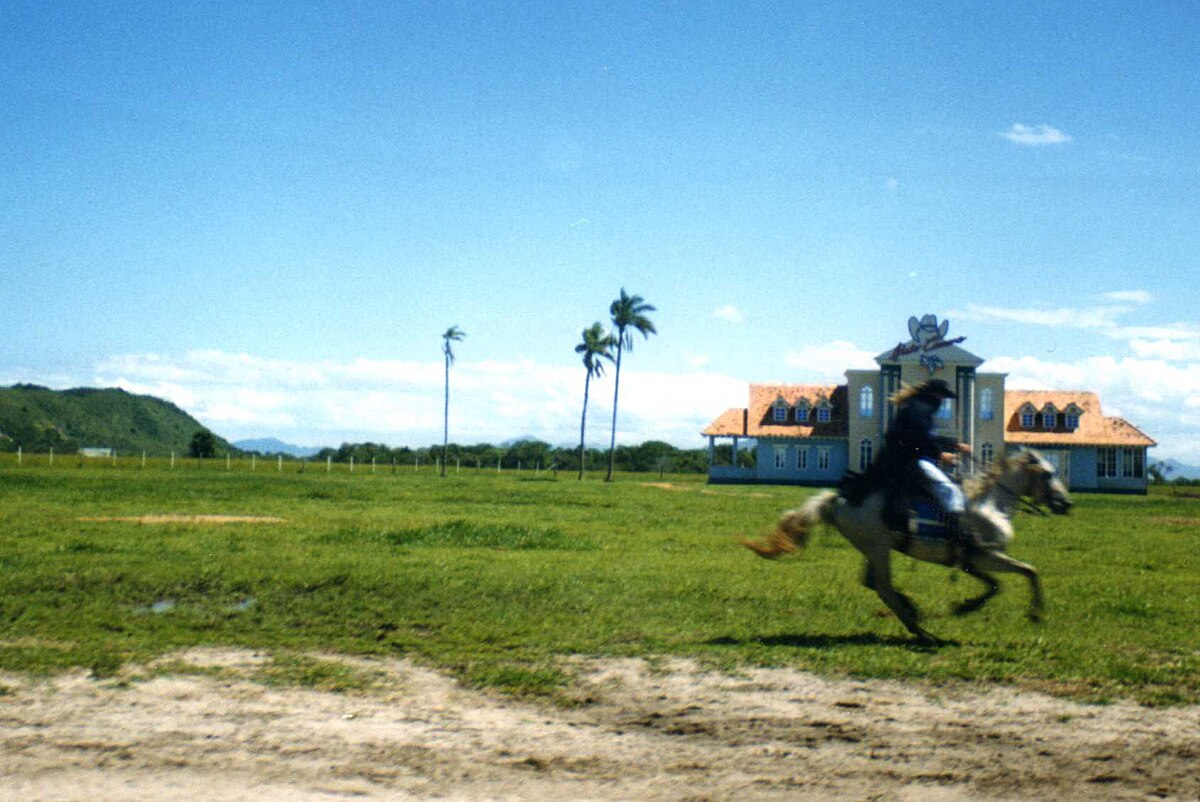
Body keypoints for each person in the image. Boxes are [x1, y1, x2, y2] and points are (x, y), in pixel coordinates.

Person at [878, 379, 981, 562]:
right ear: (936, 395)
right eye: (942, 396)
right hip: (907, 462)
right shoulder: (921, 409)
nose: (943, 400)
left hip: (903, 459)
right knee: (950, 490)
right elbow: (920, 438)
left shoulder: (919, 407)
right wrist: (941, 455)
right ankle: (959, 540)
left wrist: (955, 444)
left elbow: (927, 437)